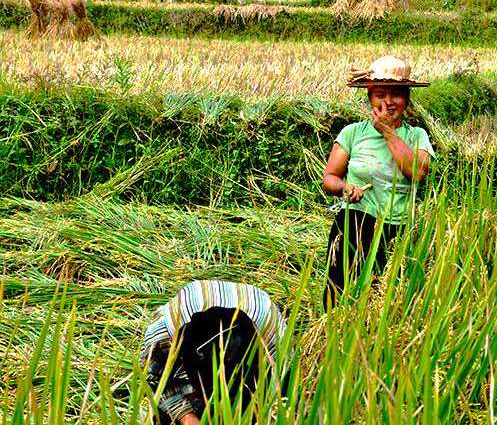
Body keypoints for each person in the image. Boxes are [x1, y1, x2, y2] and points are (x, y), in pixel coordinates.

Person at [322, 56, 435, 308]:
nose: (388, 102)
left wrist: (388, 132)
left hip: (397, 230)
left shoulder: (417, 136)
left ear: (407, 98)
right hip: (355, 223)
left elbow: (417, 172)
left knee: (384, 301)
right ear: (370, 98)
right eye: (380, 94)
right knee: (339, 294)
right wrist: (345, 187)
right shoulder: (353, 133)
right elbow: (329, 178)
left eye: (396, 94)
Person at [139, 280, 287, 424]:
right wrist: (186, 417)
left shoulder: (268, 325)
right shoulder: (162, 333)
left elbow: (283, 379)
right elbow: (155, 381)